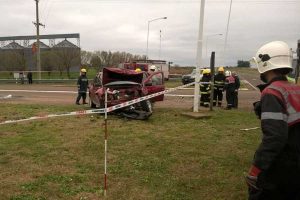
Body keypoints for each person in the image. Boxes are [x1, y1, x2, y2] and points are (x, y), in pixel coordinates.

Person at [246, 41, 300, 200]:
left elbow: (275, 137)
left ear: (264, 64)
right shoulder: (295, 88)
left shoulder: (272, 92)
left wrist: (256, 170)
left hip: (282, 163)